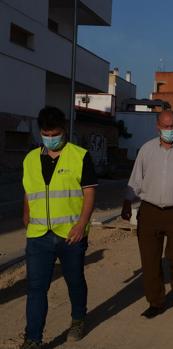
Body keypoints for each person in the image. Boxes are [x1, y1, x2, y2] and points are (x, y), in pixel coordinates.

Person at [21, 106, 97, 349]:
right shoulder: (30, 158)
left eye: (54, 133)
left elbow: (89, 193)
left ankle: (78, 318)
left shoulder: (80, 156)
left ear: (63, 130)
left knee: (74, 281)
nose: (50, 137)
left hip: (70, 235)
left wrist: (81, 225)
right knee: (35, 288)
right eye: (45, 132)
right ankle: (33, 338)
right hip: (38, 236)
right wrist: (26, 213)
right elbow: (28, 189)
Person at [121, 110, 173, 318]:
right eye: (165, 126)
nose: (169, 130)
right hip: (150, 211)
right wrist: (127, 201)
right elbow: (135, 179)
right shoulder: (146, 150)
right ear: (157, 126)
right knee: (150, 259)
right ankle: (156, 301)